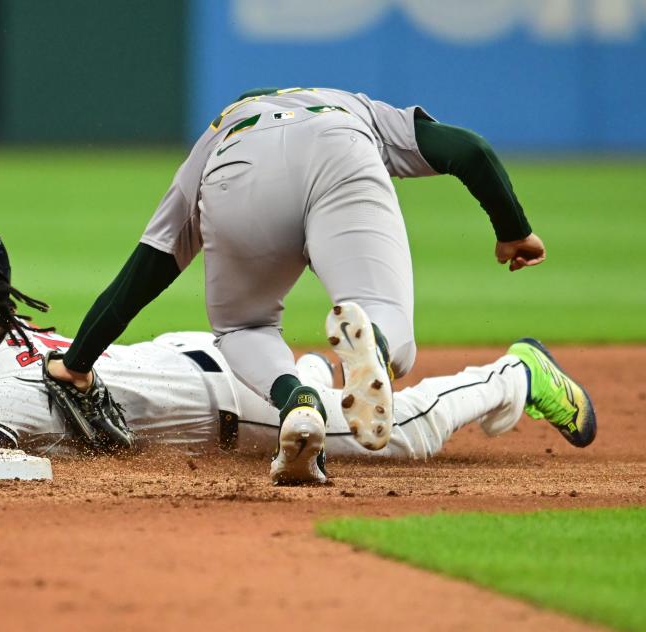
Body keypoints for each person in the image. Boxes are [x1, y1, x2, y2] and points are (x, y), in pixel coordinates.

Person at [0, 219, 595, 485]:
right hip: (185, 363)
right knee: (337, 398)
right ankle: (340, 373)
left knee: (405, 436)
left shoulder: (1, 388)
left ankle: (512, 373)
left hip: (233, 404)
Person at [43, 86, 552, 483]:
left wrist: (78, 361)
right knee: (386, 321)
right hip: (340, 150)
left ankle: (296, 401)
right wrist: (514, 232)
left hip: (233, 169)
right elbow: (470, 150)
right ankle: (370, 342)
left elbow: (147, 267)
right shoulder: (353, 105)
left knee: (243, 327)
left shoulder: (219, 129)